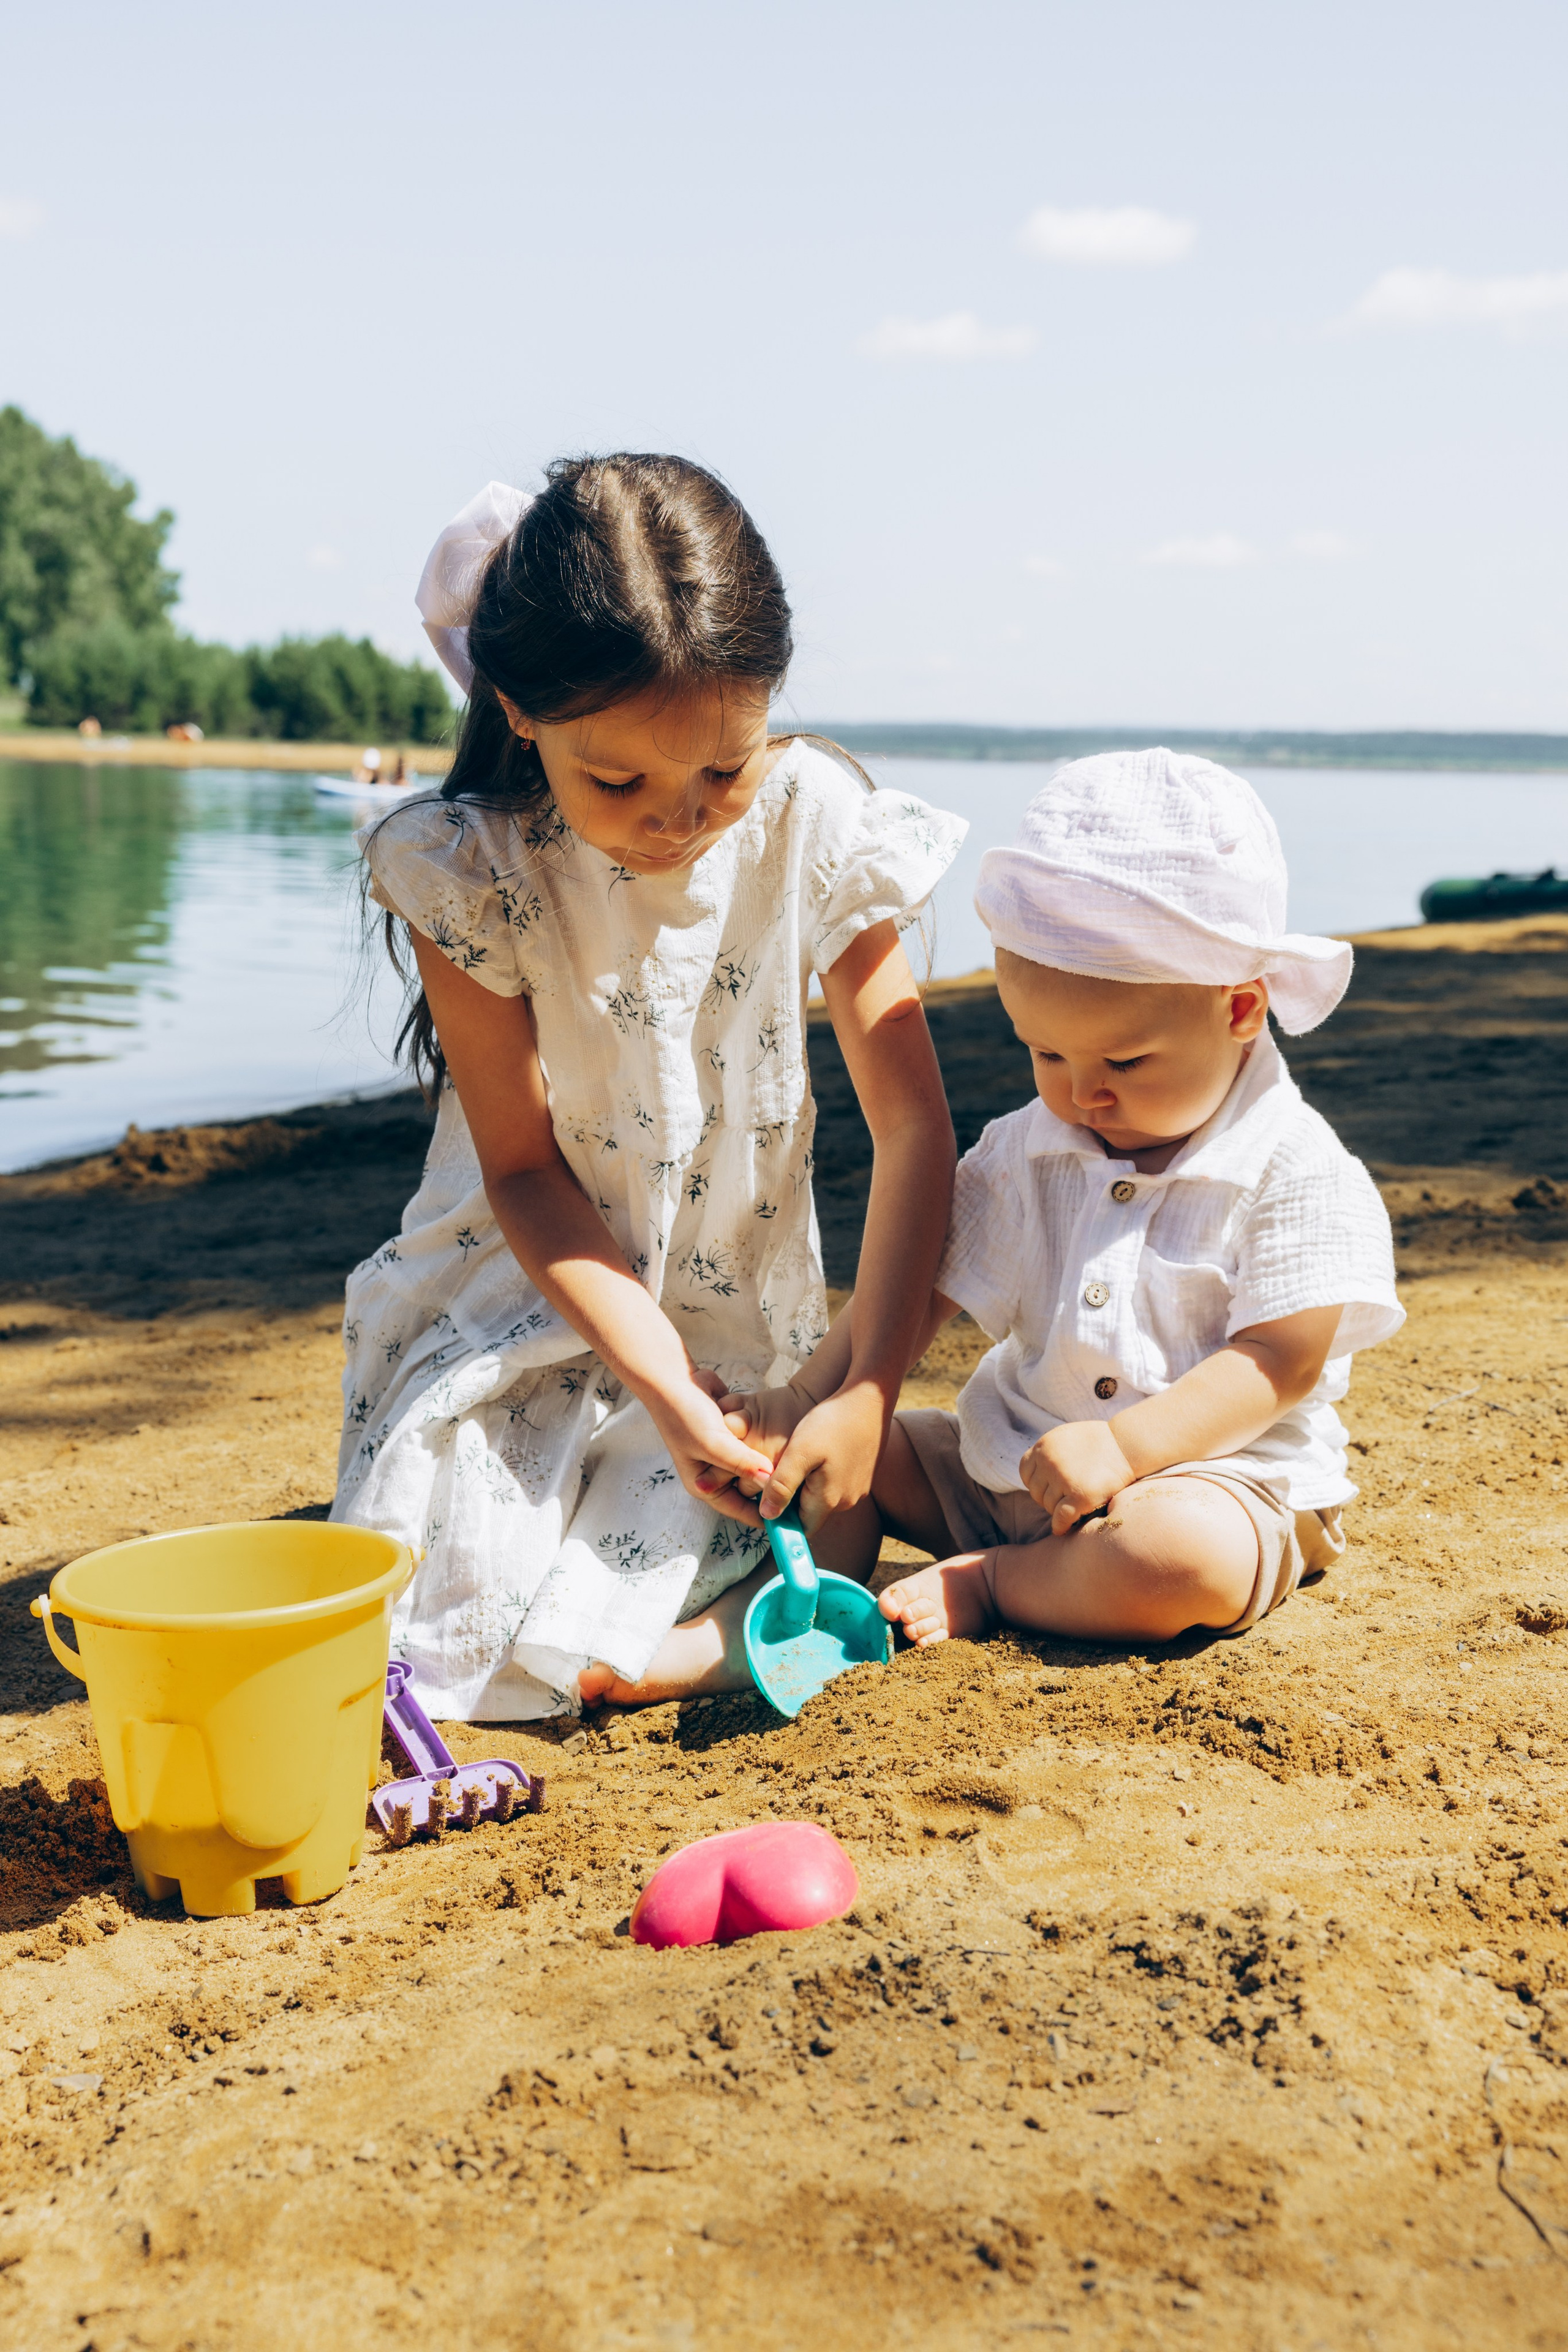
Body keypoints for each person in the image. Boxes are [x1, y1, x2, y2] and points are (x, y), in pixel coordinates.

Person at [331, 457, 964, 1718]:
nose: (676, 822)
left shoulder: (815, 825)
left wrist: (862, 1389)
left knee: (793, 1498)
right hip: (524, 1297)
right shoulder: (473, 864)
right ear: (517, 709)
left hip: (734, 1339)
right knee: (444, 1612)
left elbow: (913, 1134)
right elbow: (519, 1170)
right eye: (616, 782)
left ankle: (705, 1629)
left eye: (721, 775)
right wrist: (661, 1389)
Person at [722, 748, 1403, 1653]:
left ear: (1241, 1010)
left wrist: (1125, 1454)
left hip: (1207, 1484)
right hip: (1010, 1472)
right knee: (834, 1450)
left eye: (1122, 1062)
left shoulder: (1293, 1164)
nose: (1083, 1095)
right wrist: (816, 1393)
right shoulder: (1028, 1149)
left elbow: (1280, 1362)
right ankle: (798, 1604)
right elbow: (921, 1289)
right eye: (1045, 1053)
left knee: (1181, 1559)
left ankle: (998, 1585)